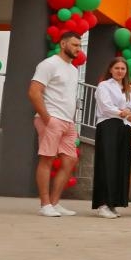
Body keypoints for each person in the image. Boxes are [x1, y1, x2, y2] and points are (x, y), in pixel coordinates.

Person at [29, 32, 82, 217]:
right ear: (63, 43)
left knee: (70, 160)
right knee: (47, 159)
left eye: (80, 46)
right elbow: (34, 92)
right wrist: (47, 118)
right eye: (75, 45)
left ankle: (55, 203)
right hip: (51, 119)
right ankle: (45, 204)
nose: (78, 49)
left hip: (68, 121)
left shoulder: (74, 69)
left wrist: (71, 119)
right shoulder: (49, 64)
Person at [92, 57, 131, 219]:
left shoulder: (129, 89)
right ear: (110, 69)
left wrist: (128, 112)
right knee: (107, 163)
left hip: (124, 127)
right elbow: (105, 106)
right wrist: (121, 112)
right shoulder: (104, 85)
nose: (120, 71)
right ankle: (102, 203)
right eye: (117, 68)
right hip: (108, 125)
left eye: (123, 69)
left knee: (120, 165)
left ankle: (113, 203)